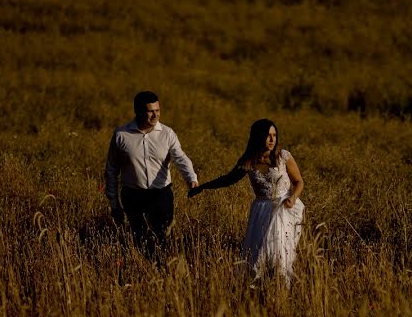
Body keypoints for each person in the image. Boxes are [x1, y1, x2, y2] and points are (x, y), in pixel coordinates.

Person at [189, 119, 305, 286]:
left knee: (279, 253)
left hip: (283, 209)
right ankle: (261, 290)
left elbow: (299, 181)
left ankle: (282, 291)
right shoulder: (249, 161)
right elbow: (228, 179)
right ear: (258, 137)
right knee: (258, 255)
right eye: (268, 136)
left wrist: (293, 198)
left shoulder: (283, 156)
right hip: (261, 211)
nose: (272, 140)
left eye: (274, 135)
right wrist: (204, 187)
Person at [105, 90, 198, 260]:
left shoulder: (167, 134)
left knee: (161, 237)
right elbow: (111, 170)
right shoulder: (121, 135)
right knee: (138, 238)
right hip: (133, 195)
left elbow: (180, 158)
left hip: (161, 194)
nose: (155, 115)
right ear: (138, 111)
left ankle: (160, 271)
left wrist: (191, 178)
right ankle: (140, 271)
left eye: (158, 110)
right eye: (150, 111)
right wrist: (114, 202)